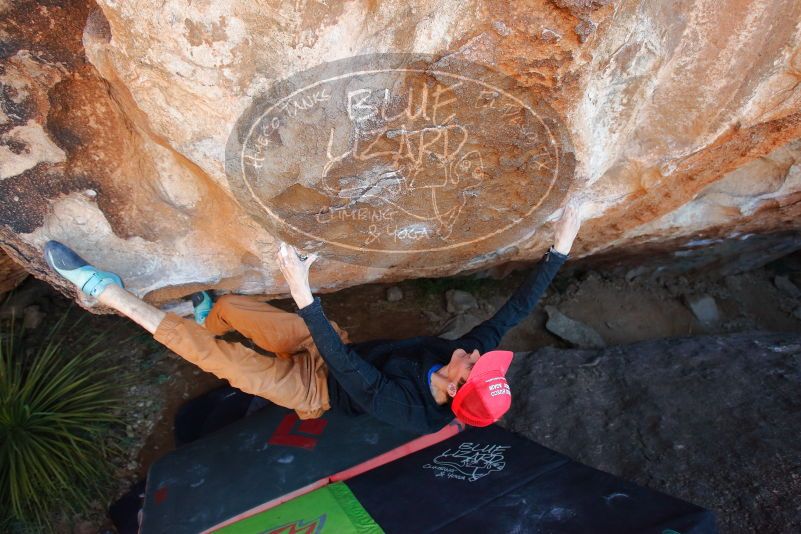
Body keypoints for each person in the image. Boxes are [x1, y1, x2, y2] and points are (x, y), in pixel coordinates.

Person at [43, 202, 582, 435]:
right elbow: (514, 310)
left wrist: (304, 293)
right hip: (334, 349)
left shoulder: (408, 410)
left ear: (458, 384)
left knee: (222, 360)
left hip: (317, 389)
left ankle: (108, 293)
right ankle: (203, 313)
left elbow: (345, 370)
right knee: (230, 309)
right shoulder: (456, 359)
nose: (479, 354)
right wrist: (560, 247)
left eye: (479, 366)